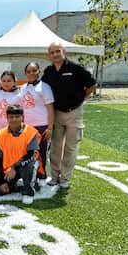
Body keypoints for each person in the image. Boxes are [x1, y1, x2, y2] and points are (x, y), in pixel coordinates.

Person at [43, 41, 96, 188]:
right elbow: (40, 88)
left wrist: (80, 98)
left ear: (64, 51)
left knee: (70, 148)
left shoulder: (75, 68)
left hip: (74, 113)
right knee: (55, 147)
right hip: (57, 113)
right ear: (49, 55)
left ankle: (65, 178)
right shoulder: (49, 71)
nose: (55, 54)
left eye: (57, 51)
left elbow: (92, 84)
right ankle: (54, 176)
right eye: (52, 52)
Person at [0, 104, 40, 205]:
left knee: (29, 166)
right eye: (11, 117)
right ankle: (16, 184)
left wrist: (14, 167)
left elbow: (31, 155)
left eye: (17, 116)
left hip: (25, 165)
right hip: (9, 169)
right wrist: (2, 181)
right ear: (7, 118)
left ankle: (28, 191)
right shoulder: (0, 135)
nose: (14, 119)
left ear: (22, 117)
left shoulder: (31, 132)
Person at [19, 62, 54, 179]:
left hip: (42, 126)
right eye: (28, 71)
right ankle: (28, 176)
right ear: (25, 73)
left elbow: (50, 108)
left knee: (42, 152)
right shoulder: (23, 88)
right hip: (28, 127)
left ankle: (42, 177)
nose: (31, 73)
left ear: (39, 71)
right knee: (28, 152)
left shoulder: (45, 87)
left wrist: (50, 128)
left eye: (34, 70)